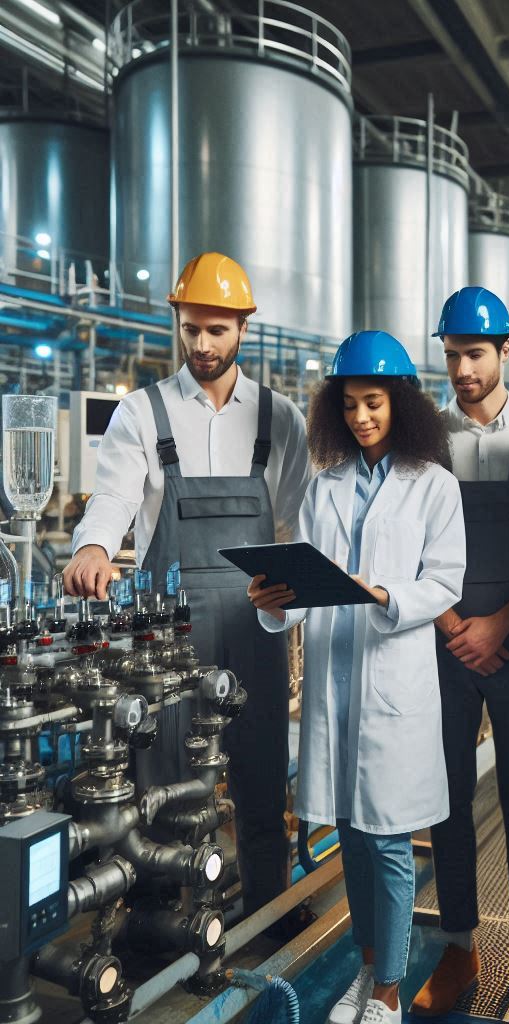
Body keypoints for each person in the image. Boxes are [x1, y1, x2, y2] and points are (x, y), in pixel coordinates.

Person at [63, 252, 310, 922]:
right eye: (191, 328)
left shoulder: (279, 417)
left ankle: (269, 913)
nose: (202, 344)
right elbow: (113, 494)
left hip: (257, 623)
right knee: (163, 785)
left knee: (262, 776)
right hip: (168, 632)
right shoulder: (140, 413)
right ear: (177, 323)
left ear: (243, 329)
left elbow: (295, 517)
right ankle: (156, 925)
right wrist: (92, 545)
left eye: (217, 330)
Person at [249, 330, 466, 1024]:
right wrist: (274, 602)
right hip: (335, 685)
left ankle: (388, 992)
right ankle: (368, 969)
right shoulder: (327, 486)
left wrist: (387, 597)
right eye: (349, 405)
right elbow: (306, 581)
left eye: (373, 403)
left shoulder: (433, 486)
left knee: (391, 843)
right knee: (350, 836)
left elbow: (446, 582)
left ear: (400, 405)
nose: (361, 418)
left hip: (393, 682)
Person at [412, 287, 509, 1019]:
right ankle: (460, 943)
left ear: (506, 351)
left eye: (474, 353)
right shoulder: (426, 438)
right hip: (445, 643)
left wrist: (500, 623)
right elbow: (407, 548)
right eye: (451, 355)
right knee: (444, 797)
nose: (462, 368)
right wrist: (452, 625)